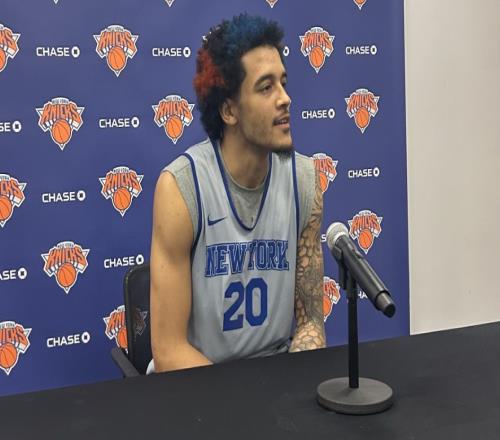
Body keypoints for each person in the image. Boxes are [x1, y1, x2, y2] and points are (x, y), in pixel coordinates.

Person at [149, 13, 325, 373]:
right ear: (229, 110)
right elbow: (168, 351)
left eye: (283, 83)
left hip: (274, 381)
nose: (285, 99)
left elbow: (310, 321)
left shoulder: (305, 180)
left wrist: (296, 386)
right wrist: (247, 403)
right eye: (266, 87)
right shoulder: (181, 187)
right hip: (198, 383)